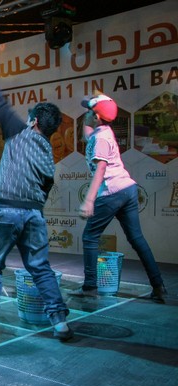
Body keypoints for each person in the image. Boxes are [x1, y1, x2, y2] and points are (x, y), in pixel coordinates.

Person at [0, 56, 72, 341]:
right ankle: (60, 322)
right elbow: (46, 185)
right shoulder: (48, 151)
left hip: (6, 211)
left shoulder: (18, 132)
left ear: (34, 121)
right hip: (34, 214)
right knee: (40, 268)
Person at [71, 94, 167, 302]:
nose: (85, 114)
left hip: (112, 192)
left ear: (97, 117)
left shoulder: (101, 139)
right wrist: (88, 115)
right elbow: (87, 136)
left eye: (89, 112)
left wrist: (89, 200)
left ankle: (89, 287)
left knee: (89, 237)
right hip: (127, 189)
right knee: (137, 239)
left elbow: (100, 169)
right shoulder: (103, 132)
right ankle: (158, 286)